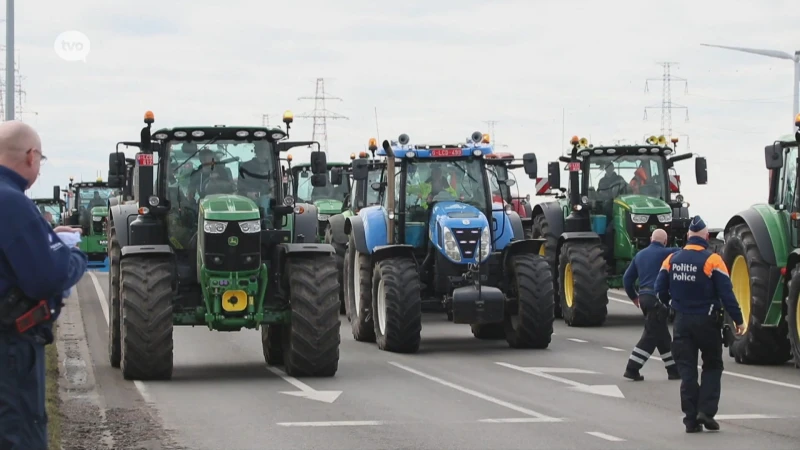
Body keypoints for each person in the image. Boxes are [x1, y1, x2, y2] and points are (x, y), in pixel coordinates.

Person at [0, 120, 88, 449]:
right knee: (20, 432)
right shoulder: (12, 202)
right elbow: (46, 276)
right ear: (31, 156)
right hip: (12, 348)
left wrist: (49, 238)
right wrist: (73, 256)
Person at [654, 215, 745, 433]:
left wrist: (673, 305)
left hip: (682, 321)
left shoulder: (672, 260)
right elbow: (727, 293)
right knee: (712, 365)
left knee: (687, 371)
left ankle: (691, 420)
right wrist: (738, 319)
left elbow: (659, 290)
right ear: (705, 236)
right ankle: (706, 411)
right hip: (707, 321)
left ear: (687, 237)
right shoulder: (713, 260)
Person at [622, 228, 681, 381]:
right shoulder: (670, 252)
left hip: (644, 298)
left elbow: (627, 280)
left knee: (662, 337)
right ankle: (632, 368)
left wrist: (635, 298)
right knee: (650, 336)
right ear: (666, 241)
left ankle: (673, 370)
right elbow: (686, 253)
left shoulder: (639, 255)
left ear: (650, 239)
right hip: (658, 300)